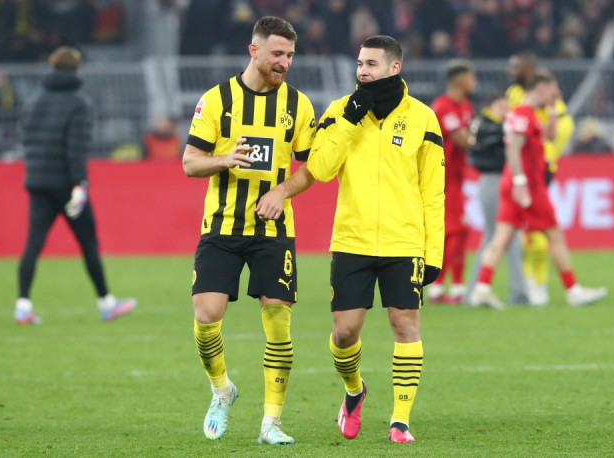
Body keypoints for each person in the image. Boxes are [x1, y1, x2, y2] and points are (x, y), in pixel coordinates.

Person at [256, 35, 445, 443]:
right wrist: (349, 121)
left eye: (371, 64)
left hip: (404, 241)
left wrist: (434, 252)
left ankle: (400, 421)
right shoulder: (341, 110)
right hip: (351, 240)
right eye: (360, 63)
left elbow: (433, 192)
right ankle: (354, 389)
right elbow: (321, 169)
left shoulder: (423, 118)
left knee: (405, 325)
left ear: (394, 67)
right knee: (344, 334)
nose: (362, 70)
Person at [182, 16, 316, 445]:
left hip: (273, 229)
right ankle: (222, 389)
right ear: (254, 50)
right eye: (277, 53)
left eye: (290, 55)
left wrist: (281, 191)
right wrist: (223, 160)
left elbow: (312, 166)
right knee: (207, 315)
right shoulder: (217, 100)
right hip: (222, 226)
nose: (284, 63)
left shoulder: (299, 105)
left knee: (278, 322)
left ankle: (271, 423)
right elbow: (189, 163)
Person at [15, 46, 136, 325]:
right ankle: (106, 304)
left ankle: (22, 305)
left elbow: (28, 142)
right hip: (66, 185)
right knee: (88, 243)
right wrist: (79, 184)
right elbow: (75, 149)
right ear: (77, 68)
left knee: (33, 244)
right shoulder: (79, 103)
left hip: (37, 182)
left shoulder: (33, 101)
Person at [469, 72, 606, 309]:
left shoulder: (528, 114)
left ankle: (481, 290)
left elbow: (550, 137)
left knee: (501, 238)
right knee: (554, 235)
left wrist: (552, 110)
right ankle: (573, 290)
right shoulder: (523, 115)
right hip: (528, 186)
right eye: (553, 91)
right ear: (540, 89)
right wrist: (521, 182)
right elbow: (513, 148)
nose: (557, 96)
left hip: (515, 184)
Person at [506, 53, 575, 306]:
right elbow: (517, 140)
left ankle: (536, 284)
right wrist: (520, 179)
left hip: (539, 169)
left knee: (524, 233)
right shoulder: (519, 99)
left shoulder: (540, 102)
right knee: (534, 232)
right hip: (526, 173)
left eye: (516, 66)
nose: (511, 70)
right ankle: (537, 285)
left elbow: (551, 134)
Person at [464, 92, 528, 305]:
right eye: (501, 107)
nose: (505, 112)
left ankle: (480, 291)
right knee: (497, 235)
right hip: (494, 180)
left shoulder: (484, 123)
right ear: (489, 107)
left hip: (495, 181)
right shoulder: (486, 125)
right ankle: (514, 293)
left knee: (500, 236)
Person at [428, 60, 475, 304]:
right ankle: (450, 286)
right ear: (460, 80)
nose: (474, 82)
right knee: (457, 229)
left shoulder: (464, 105)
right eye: (471, 77)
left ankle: (444, 288)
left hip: (456, 176)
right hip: (441, 177)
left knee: (451, 231)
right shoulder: (443, 106)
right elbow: (462, 139)